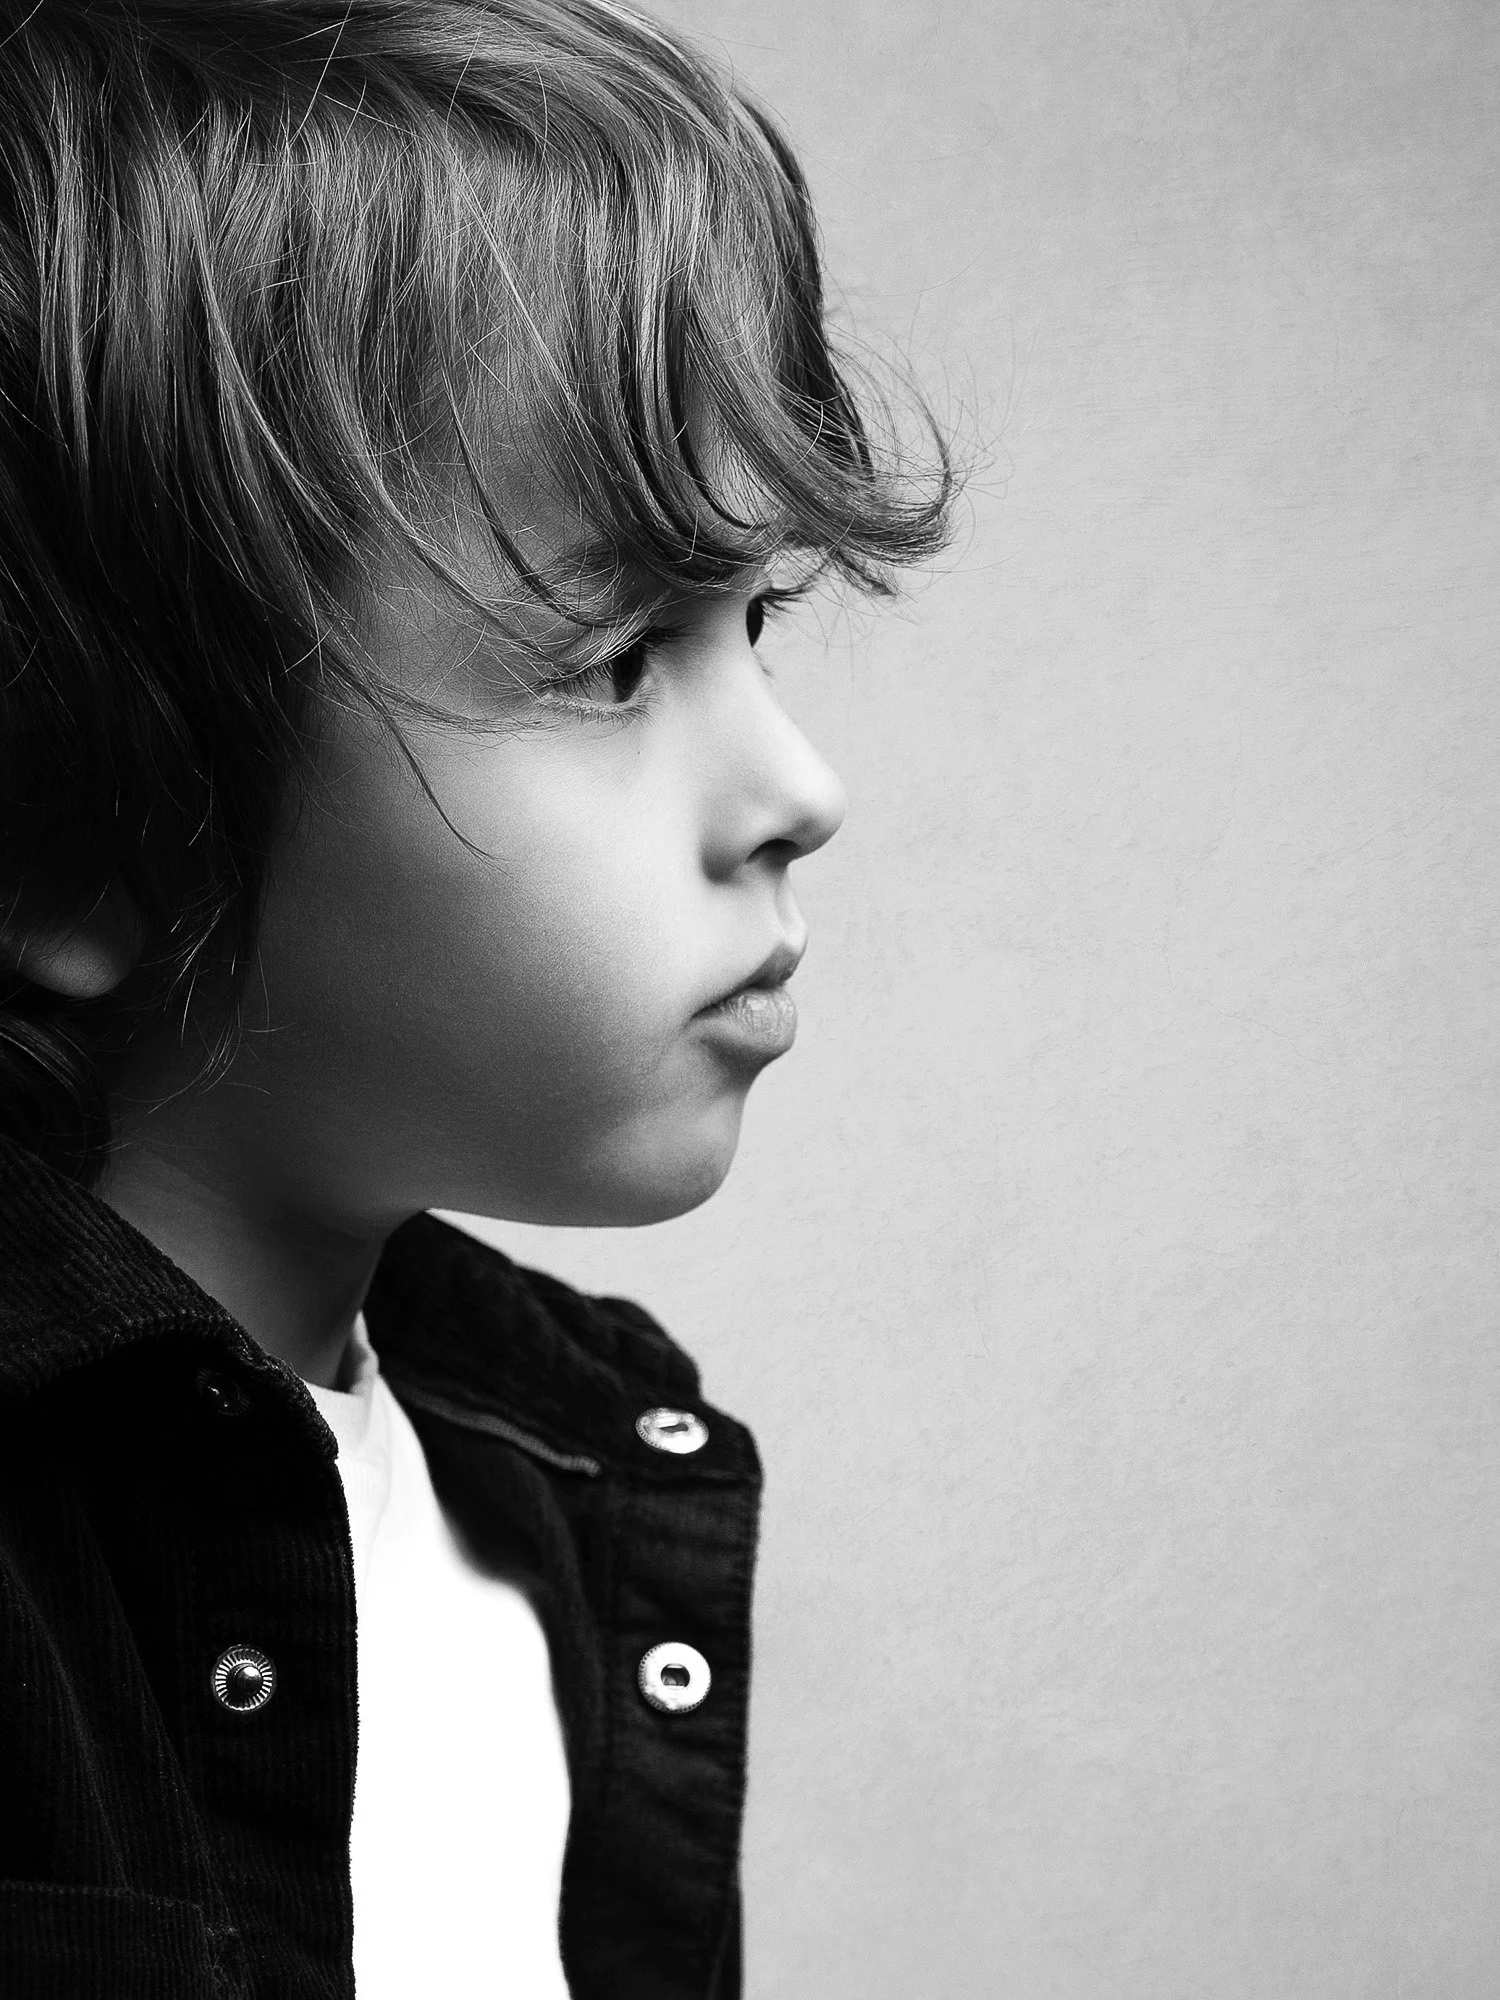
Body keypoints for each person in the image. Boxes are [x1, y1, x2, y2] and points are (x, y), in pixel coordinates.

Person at [0, 0, 951, 1992]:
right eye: (617, 658)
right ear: (77, 822)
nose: (798, 790)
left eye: (752, 625)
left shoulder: (568, 1484)